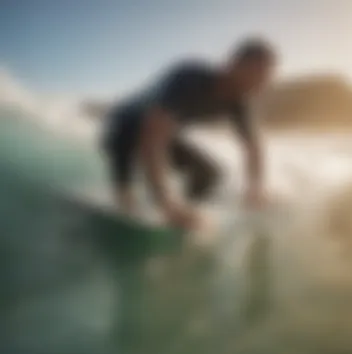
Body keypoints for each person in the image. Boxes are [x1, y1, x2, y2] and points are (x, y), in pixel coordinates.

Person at [102, 37, 277, 229]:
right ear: (234, 64)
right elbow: (152, 138)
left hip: (162, 132)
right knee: (126, 200)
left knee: (209, 174)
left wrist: (255, 188)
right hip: (124, 126)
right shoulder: (189, 78)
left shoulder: (240, 103)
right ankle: (143, 202)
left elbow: (253, 148)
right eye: (256, 74)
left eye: (265, 78)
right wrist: (167, 203)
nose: (260, 85)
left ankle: (186, 214)